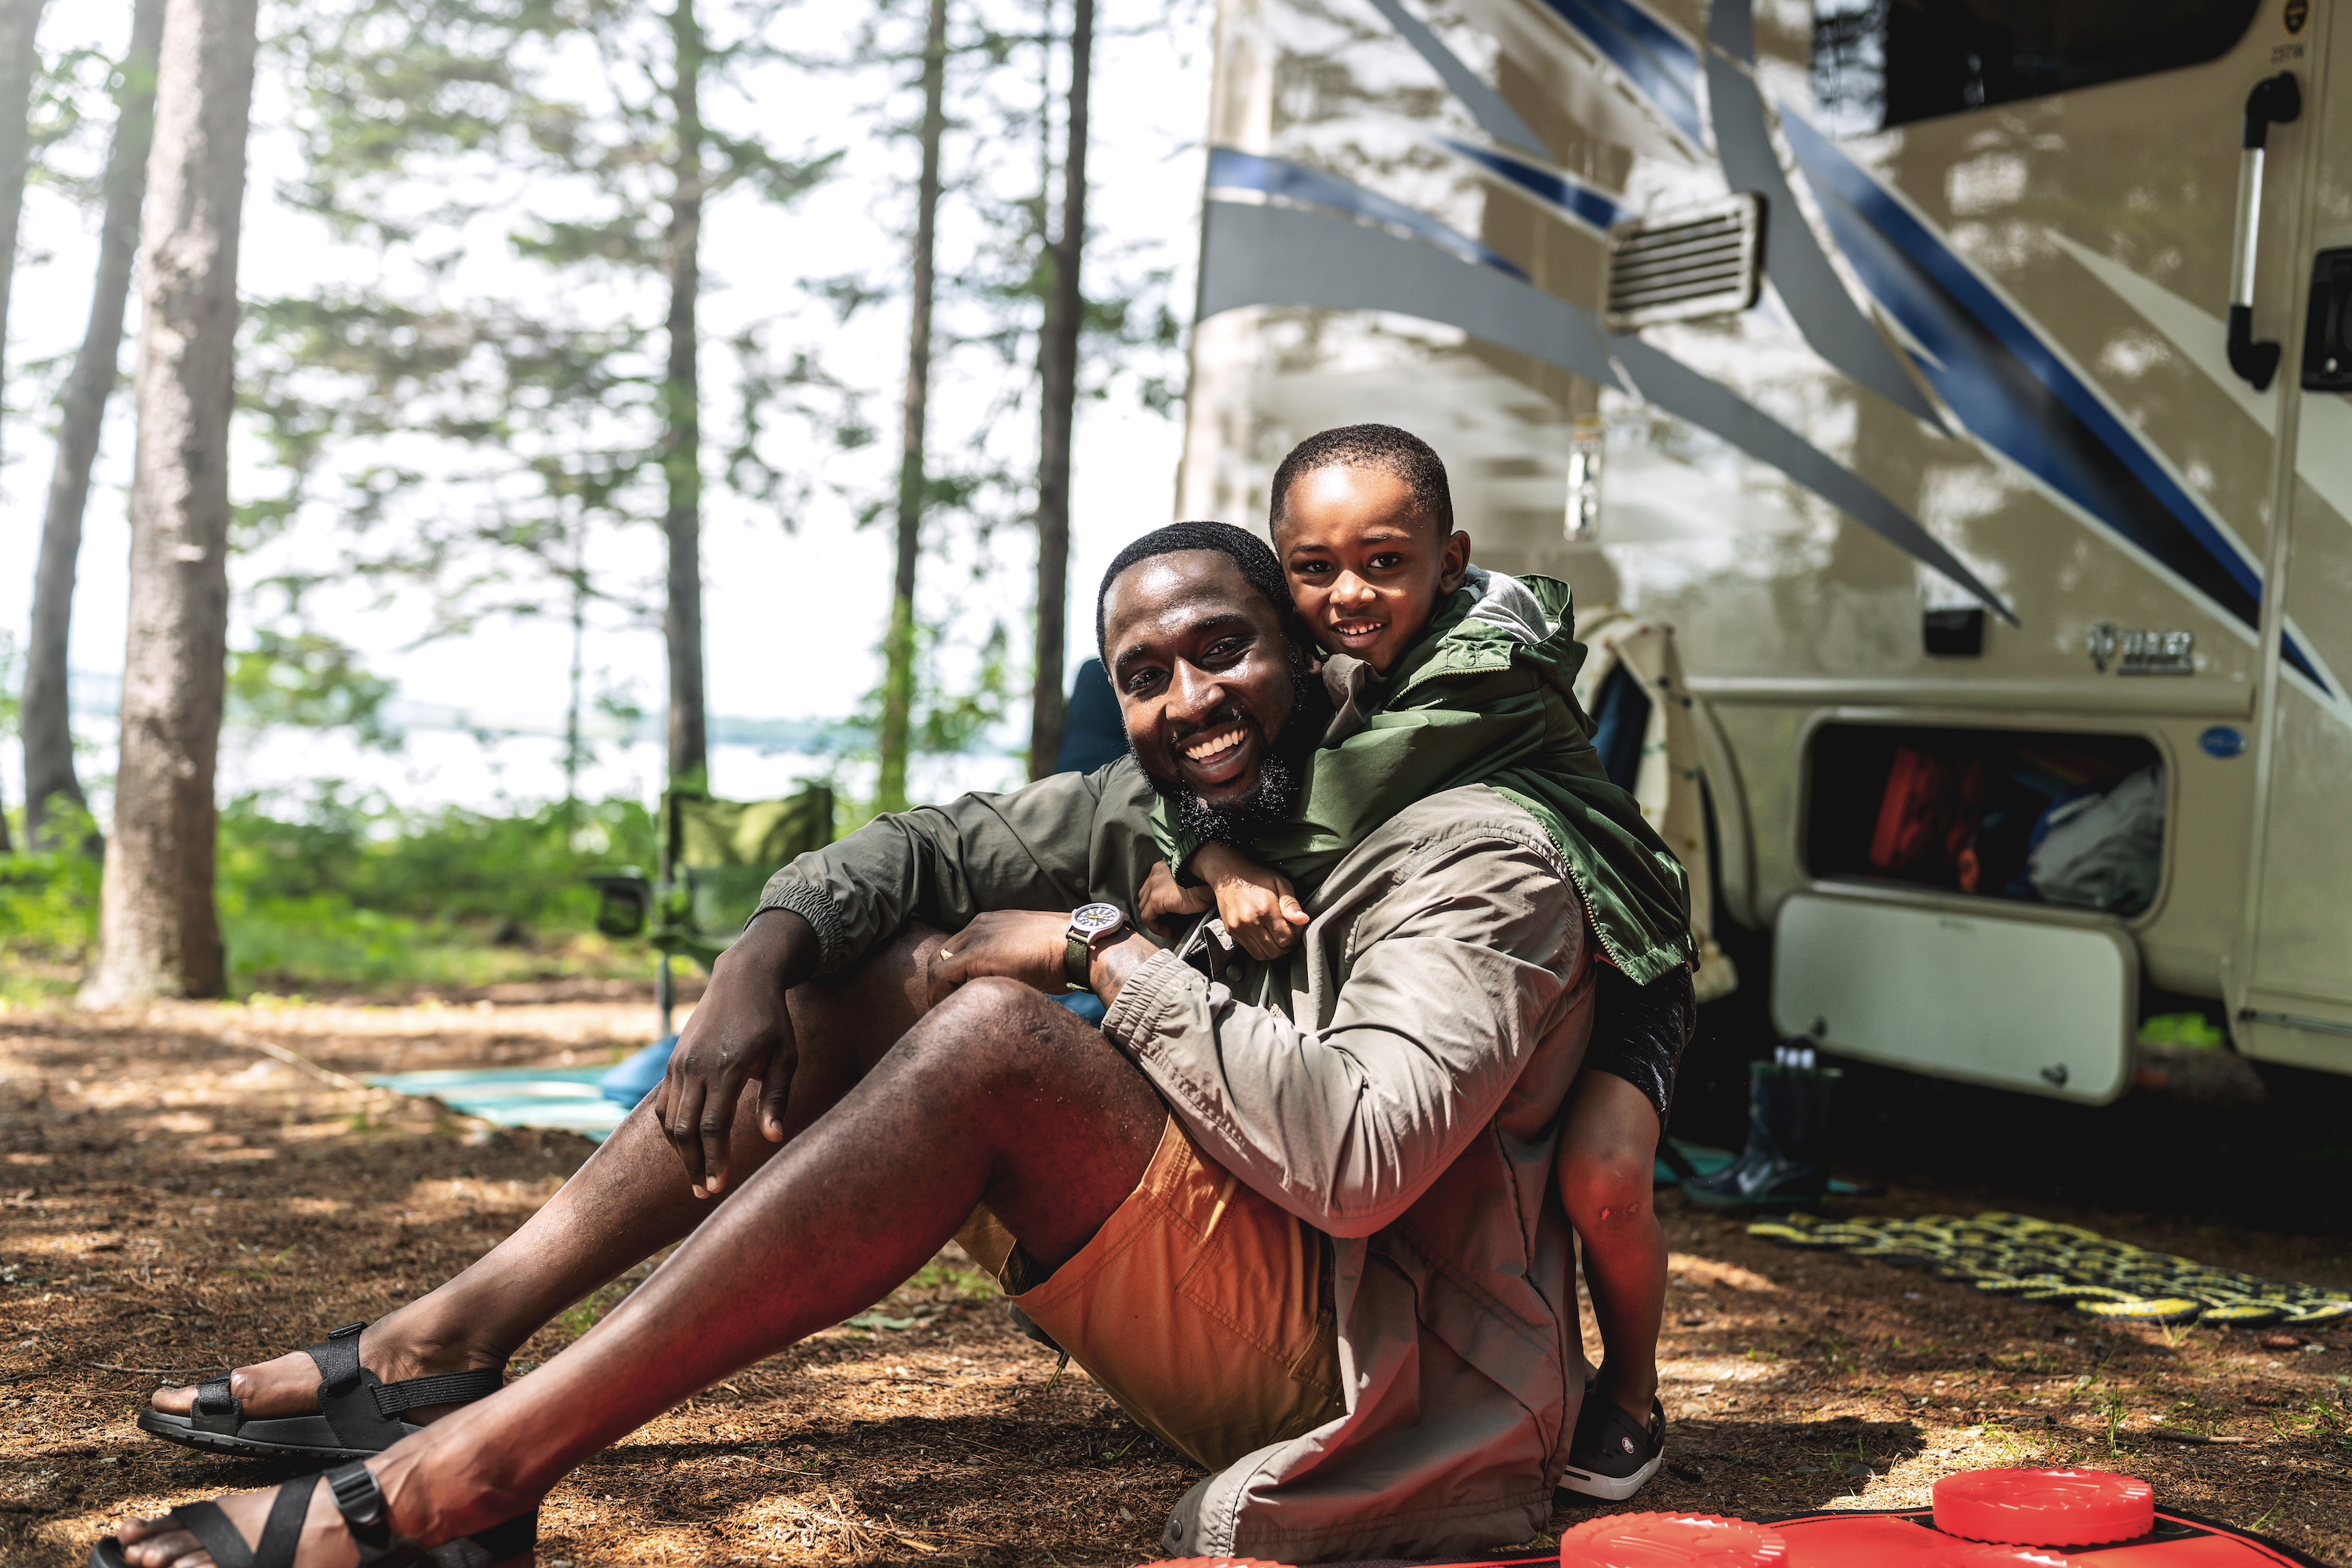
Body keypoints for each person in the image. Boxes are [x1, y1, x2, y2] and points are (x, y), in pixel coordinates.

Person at [113, 523, 1598, 1568]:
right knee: (886, 964)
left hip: (1382, 1361)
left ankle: (479, 1466)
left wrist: (1098, 953)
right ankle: (444, 1345)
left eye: (1226, 650)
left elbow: (1357, 1163)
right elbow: (928, 846)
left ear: (1310, 650)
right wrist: (749, 964)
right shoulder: (1195, 800)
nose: (1189, 699)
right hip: (1252, 1280)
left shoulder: (1475, 847)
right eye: (1146, 675)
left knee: (998, 1037)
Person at [1141, 424, 1697, 1501]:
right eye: (1315, 568)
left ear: (1450, 559)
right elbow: (1219, 790)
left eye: (1384, 562)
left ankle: (1631, 1394)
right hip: (1533, 958)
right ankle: (1527, 1373)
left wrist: (1199, 863)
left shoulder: (1481, 678)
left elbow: (1317, 814)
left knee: (1603, 1180)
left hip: (1623, 953)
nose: (1350, 592)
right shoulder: (1352, 670)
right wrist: (1210, 845)